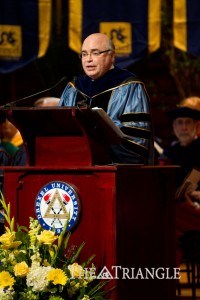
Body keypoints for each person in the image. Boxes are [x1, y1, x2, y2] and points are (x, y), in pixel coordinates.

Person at [59, 33, 154, 165]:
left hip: (116, 170)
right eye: (84, 54)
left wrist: (99, 143)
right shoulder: (73, 88)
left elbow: (136, 142)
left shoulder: (129, 86)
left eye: (95, 53)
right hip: (75, 166)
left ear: (112, 56)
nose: (88, 59)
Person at [158, 106, 200, 266]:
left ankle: (168, 278)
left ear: (196, 126)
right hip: (180, 206)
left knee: (168, 222)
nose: (183, 127)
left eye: (188, 123)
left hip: (195, 208)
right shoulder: (170, 153)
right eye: (179, 123)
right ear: (174, 127)